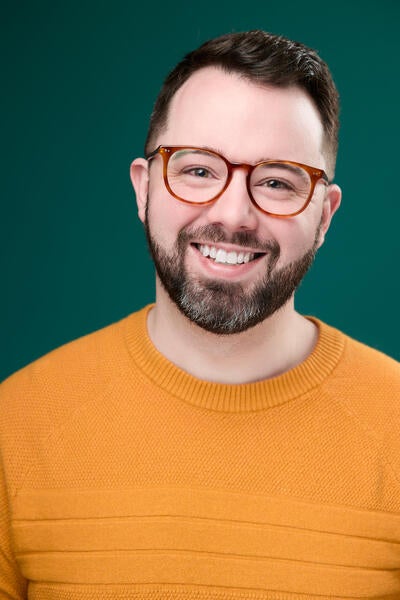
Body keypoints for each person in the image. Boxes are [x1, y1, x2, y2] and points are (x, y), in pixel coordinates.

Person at [1, 30, 399, 600]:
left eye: (277, 182)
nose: (233, 214)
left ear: (325, 216)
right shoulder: (15, 426)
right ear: (143, 189)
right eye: (198, 171)